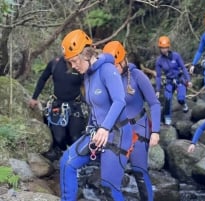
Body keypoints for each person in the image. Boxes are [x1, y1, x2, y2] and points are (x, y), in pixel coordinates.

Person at [59, 29, 133, 201]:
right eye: (70, 63)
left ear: (86, 53)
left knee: (108, 186)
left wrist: (105, 128)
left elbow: (119, 101)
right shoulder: (88, 74)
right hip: (98, 133)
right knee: (67, 162)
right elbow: (95, 106)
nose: (74, 66)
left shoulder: (107, 69)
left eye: (75, 61)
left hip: (117, 133)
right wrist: (92, 127)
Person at [103, 41, 161, 201]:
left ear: (123, 60)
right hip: (118, 131)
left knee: (140, 173)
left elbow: (154, 104)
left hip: (138, 129)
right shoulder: (107, 78)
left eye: (115, 66)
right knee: (110, 177)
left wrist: (155, 131)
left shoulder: (137, 76)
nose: (113, 70)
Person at [28, 55, 87, 160]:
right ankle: (63, 154)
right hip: (57, 106)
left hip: (75, 105)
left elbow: (88, 83)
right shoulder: (55, 64)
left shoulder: (79, 65)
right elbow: (43, 78)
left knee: (75, 137)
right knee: (59, 138)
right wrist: (34, 97)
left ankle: (74, 160)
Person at [155, 36, 192, 125]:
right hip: (169, 81)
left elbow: (183, 68)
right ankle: (167, 118)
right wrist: (157, 90)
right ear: (160, 48)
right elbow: (158, 76)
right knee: (167, 99)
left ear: (168, 47)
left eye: (165, 48)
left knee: (181, 99)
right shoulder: (159, 61)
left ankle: (183, 104)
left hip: (179, 79)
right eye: (162, 48)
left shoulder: (176, 56)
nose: (164, 50)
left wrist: (188, 80)